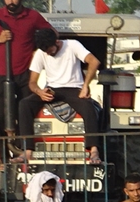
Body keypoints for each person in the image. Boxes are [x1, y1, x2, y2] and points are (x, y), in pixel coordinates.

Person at [0, 0, 52, 143]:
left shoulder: (32, 16)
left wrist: (39, 50)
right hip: (2, 74)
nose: (10, 2)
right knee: (0, 116)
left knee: (25, 112)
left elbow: (50, 33)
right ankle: (3, 153)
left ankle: (24, 148)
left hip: (25, 74)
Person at [19, 28, 102, 164]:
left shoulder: (72, 45)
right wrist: (40, 92)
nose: (48, 53)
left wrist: (85, 86)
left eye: (50, 50)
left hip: (73, 88)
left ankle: (94, 150)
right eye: (46, 52)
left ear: (56, 42)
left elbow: (94, 61)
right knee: (25, 104)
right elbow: (32, 82)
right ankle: (27, 150)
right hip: (52, 89)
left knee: (88, 106)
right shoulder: (41, 53)